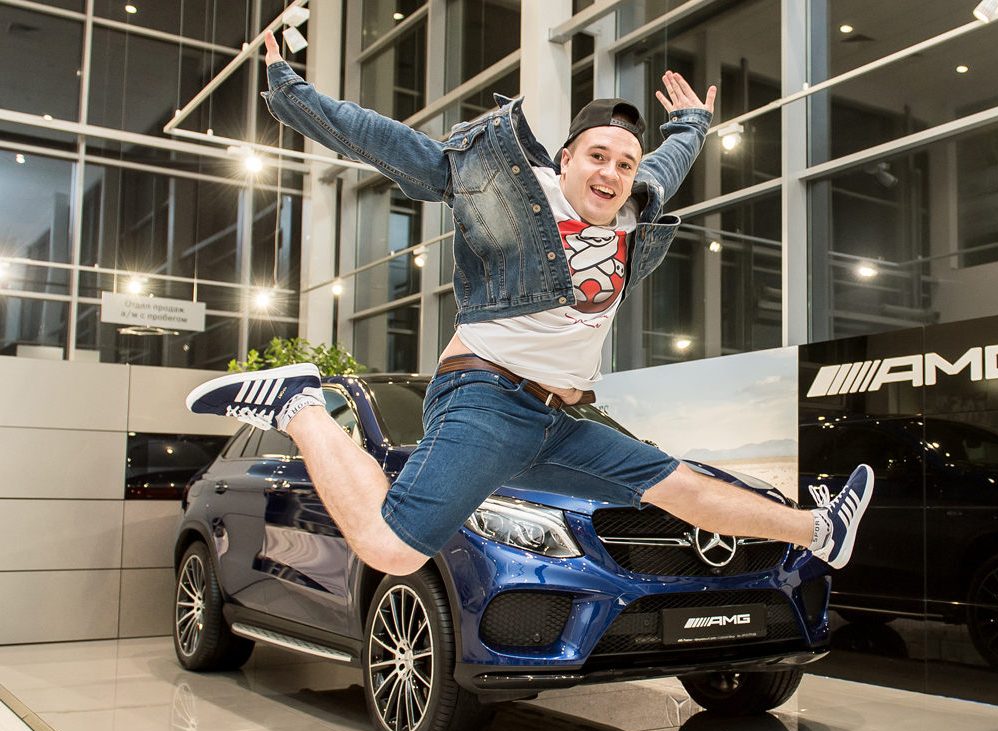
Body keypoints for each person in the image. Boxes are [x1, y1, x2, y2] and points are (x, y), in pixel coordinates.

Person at [186, 31, 873, 577]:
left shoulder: (633, 208)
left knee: (679, 488)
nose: (611, 172)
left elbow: (667, 164)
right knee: (393, 550)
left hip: (560, 417)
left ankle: (821, 529)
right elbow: (394, 146)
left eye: (624, 163)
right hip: (486, 399)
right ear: (566, 158)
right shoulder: (512, 189)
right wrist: (292, 94)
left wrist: (692, 124)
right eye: (597, 156)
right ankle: (302, 406)